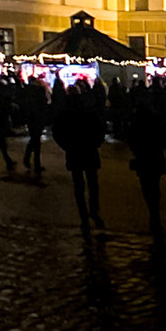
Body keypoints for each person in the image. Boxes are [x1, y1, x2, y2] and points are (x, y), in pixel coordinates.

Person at [52, 88, 106, 232]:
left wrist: (66, 146)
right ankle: (94, 212)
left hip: (74, 152)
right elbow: (100, 129)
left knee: (79, 186)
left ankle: (84, 216)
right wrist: (96, 143)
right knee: (92, 184)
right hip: (89, 151)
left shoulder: (65, 114)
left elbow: (57, 132)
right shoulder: (88, 111)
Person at [128, 99, 166, 240]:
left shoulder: (136, 122)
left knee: (146, 187)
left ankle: (153, 213)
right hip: (155, 157)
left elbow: (131, 140)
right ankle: (155, 213)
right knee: (155, 186)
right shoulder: (156, 120)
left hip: (142, 158)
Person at [20, 75, 49, 180]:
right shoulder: (39, 92)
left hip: (32, 120)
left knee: (35, 140)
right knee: (36, 141)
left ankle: (31, 161)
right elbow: (44, 105)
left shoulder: (28, 92)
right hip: (37, 119)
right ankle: (32, 162)